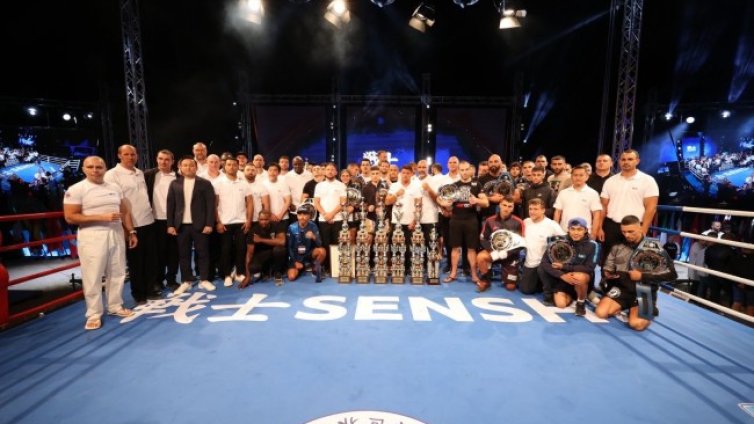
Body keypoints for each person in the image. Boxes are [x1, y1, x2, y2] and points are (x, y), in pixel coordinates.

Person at [63, 156, 136, 330]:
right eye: (91, 167)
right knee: (93, 276)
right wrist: (101, 217)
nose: (95, 170)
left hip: (116, 233)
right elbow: (70, 217)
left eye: (99, 167)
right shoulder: (76, 189)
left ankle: (115, 306)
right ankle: (94, 314)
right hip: (92, 236)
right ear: (84, 169)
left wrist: (131, 231)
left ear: (105, 168)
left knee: (117, 272)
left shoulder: (114, 187)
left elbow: (124, 211)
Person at [595, 215, 678, 331]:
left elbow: (672, 275)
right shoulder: (618, 246)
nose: (627, 235)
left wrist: (642, 276)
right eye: (624, 232)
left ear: (640, 228)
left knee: (636, 324)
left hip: (644, 290)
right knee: (601, 313)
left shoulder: (654, 248)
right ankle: (629, 306)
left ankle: (648, 307)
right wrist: (609, 274)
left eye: (631, 231)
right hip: (622, 289)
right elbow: (608, 268)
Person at [104, 144, 159, 305]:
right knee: (136, 262)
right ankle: (139, 294)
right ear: (119, 155)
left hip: (148, 221)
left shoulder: (139, 172)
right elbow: (115, 203)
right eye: (126, 154)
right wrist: (127, 228)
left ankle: (150, 290)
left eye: (133, 154)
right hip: (131, 225)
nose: (130, 157)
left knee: (151, 260)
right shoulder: (112, 175)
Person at [595, 149, 659, 264]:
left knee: (631, 261)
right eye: (623, 159)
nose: (626, 162)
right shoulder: (610, 181)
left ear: (637, 161)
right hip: (611, 226)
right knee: (607, 259)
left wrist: (643, 230)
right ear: (619, 161)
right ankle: (606, 276)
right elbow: (603, 206)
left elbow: (651, 207)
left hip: (634, 226)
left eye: (630, 159)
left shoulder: (648, 181)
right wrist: (599, 227)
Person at [167, 157, 217, 295]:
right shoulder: (175, 183)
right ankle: (186, 281)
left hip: (200, 225)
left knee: (203, 253)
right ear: (180, 167)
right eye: (185, 165)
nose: (188, 168)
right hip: (181, 226)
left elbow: (210, 205)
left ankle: (204, 279)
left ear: (196, 167)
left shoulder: (205, 183)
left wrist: (209, 224)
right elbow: (170, 205)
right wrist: (170, 225)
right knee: (184, 254)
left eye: (191, 165)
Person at [537, 217, 599, 316]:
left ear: (585, 230)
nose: (576, 232)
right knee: (561, 304)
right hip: (565, 279)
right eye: (572, 229)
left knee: (579, 276)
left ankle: (581, 302)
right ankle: (581, 295)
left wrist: (564, 267)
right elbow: (544, 263)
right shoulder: (558, 241)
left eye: (579, 229)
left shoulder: (593, 245)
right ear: (568, 229)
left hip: (581, 278)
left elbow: (589, 267)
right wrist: (561, 275)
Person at [439, 160, 488, 282]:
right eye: (462, 170)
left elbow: (486, 203)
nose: (464, 172)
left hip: (471, 219)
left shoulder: (477, 185)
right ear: (458, 171)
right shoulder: (454, 186)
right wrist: (445, 203)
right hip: (456, 219)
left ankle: (474, 274)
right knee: (455, 248)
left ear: (470, 170)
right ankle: (453, 274)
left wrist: (476, 200)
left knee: (471, 248)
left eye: (466, 169)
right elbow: (444, 202)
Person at [213, 157, 253, 287]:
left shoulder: (244, 183)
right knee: (226, 250)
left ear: (238, 167)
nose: (231, 167)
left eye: (234, 165)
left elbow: (250, 203)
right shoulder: (218, 183)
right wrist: (218, 222)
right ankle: (226, 275)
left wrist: (249, 220)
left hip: (241, 221)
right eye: (229, 165)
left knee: (241, 249)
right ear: (224, 167)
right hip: (225, 222)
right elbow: (214, 204)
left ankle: (239, 272)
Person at [144, 149, 179, 291]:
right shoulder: (148, 175)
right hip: (155, 220)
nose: (163, 162)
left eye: (167, 159)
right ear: (157, 159)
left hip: (175, 221)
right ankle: (158, 281)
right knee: (158, 253)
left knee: (174, 252)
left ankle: (172, 280)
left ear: (172, 161)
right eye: (161, 158)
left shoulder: (178, 177)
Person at [476, 195, 525, 292]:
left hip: (510, 256)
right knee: (481, 257)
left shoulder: (519, 222)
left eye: (510, 206)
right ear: (500, 205)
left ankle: (512, 274)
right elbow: (483, 239)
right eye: (504, 205)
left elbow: (522, 243)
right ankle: (486, 279)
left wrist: (507, 253)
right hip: (494, 252)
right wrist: (492, 251)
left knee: (510, 287)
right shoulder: (490, 220)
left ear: (513, 208)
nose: (507, 208)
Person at [519, 198, 565, 298]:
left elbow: (564, 242)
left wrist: (555, 259)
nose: (532, 212)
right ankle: (538, 283)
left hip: (545, 264)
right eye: (530, 209)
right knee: (526, 290)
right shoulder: (526, 222)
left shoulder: (552, 225)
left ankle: (551, 286)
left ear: (543, 210)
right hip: (529, 263)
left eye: (535, 209)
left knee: (543, 273)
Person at [239, 210, 287, 288]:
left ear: (270, 219)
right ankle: (265, 271)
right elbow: (249, 253)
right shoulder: (253, 231)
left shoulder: (277, 225)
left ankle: (277, 272)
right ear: (258, 219)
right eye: (261, 219)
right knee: (252, 268)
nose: (263, 222)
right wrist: (248, 276)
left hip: (274, 252)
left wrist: (261, 240)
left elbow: (282, 242)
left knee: (279, 250)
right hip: (262, 254)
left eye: (266, 219)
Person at [313, 162, 347, 273]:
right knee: (325, 243)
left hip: (337, 219)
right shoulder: (319, 185)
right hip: (323, 219)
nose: (330, 171)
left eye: (332, 169)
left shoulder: (341, 185)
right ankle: (326, 267)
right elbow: (316, 202)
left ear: (336, 172)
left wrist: (331, 214)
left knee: (337, 243)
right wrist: (325, 215)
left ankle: (336, 268)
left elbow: (343, 203)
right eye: (328, 169)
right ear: (324, 171)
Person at [553, 165, 602, 234]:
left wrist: (593, 234)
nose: (578, 178)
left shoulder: (593, 193)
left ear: (587, 177)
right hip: (564, 232)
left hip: (584, 233)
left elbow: (596, 215)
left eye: (581, 175)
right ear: (571, 177)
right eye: (575, 175)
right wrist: (556, 231)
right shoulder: (563, 193)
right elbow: (557, 213)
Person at [286, 206, 326, 282]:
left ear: (309, 216)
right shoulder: (292, 227)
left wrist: (314, 237)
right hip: (296, 256)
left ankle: (314, 270)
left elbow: (320, 244)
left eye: (305, 214)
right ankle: (303, 267)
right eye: (300, 214)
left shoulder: (313, 226)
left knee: (322, 251)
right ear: (297, 216)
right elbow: (289, 247)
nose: (302, 217)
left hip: (308, 254)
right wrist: (295, 262)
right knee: (291, 277)